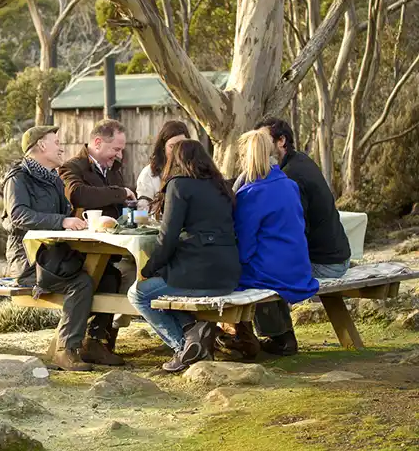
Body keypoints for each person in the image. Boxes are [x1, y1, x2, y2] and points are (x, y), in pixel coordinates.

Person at [1, 125, 117, 370]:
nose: (62, 147)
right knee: (81, 282)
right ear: (41, 145)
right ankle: (65, 350)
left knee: (109, 275)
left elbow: (64, 213)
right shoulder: (18, 178)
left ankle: (94, 342)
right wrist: (62, 221)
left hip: (55, 254)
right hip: (30, 260)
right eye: (57, 142)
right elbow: (18, 215)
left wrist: (81, 223)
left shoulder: (52, 178)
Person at [127, 140, 241, 372]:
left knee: (138, 294)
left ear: (176, 161)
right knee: (167, 287)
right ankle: (193, 332)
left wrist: (148, 270)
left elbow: (167, 237)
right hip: (228, 275)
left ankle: (184, 348)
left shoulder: (179, 185)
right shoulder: (221, 186)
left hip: (198, 275)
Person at [247, 117, 351, 356]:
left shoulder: (291, 177)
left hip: (326, 263)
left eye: (264, 140)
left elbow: (293, 234)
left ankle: (280, 338)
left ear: (281, 141)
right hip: (335, 255)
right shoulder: (299, 161)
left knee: (262, 270)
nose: (260, 146)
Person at [218, 130, 320, 358]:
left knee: (226, 277)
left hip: (272, 271)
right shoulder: (288, 184)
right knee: (258, 271)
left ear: (245, 157)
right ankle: (281, 335)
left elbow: (245, 248)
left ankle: (241, 337)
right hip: (298, 267)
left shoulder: (251, 194)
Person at [58, 119, 137, 365]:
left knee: (116, 276)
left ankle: (99, 343)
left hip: (111, 248)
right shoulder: (72, 166)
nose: (119, 154)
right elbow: (79, 194)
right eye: (116, 148)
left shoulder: (112, 166)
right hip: (78, 252)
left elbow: (118, 198)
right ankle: (85, 343)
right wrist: (120, 192)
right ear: (98, 142)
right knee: (106, 277)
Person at [136, 120, 191, 212]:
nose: (177, 151)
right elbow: (143, 208)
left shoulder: (195, 171)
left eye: (182, 146)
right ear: (163, 147)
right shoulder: (149, 173)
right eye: (172, 146)